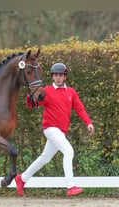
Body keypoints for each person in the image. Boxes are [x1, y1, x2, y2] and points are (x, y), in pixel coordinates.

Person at [15, 62, 95, 197]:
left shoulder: (71, 92)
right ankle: (70, 186)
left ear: (65, 77)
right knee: (69, 151)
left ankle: (22, 179)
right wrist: (29, 96)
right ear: (52, 77)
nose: (58, 78)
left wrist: (88, 123)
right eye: (55, 75)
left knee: (45, 158)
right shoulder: (46, 91)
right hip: (50, 128)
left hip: (61, 132)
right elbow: (32, 105)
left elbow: (80, 109)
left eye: (61, 75)